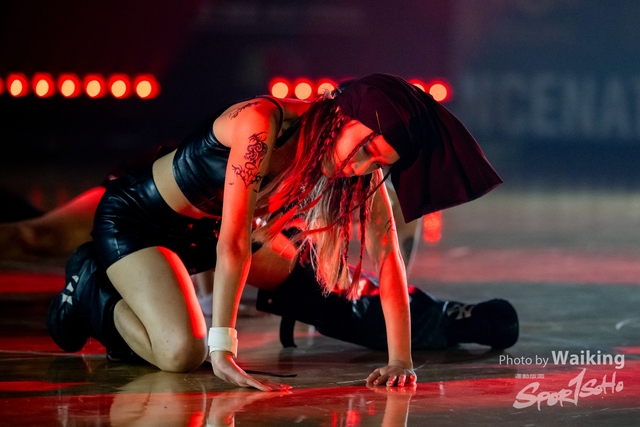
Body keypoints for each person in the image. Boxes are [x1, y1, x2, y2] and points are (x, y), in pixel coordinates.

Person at [47, 73, 508, 391]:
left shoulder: (356, 168)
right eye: (366, 145)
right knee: (183, 353)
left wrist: (400, 361)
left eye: (377, 161)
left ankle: (444, 321)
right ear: (344, 113)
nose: (362, 163)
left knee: (315, 283)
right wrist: (223, 348)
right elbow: (234, 241)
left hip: (204, 238)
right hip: (138, 224)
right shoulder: (263, 122)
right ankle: (90, 287)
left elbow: (388, 259)